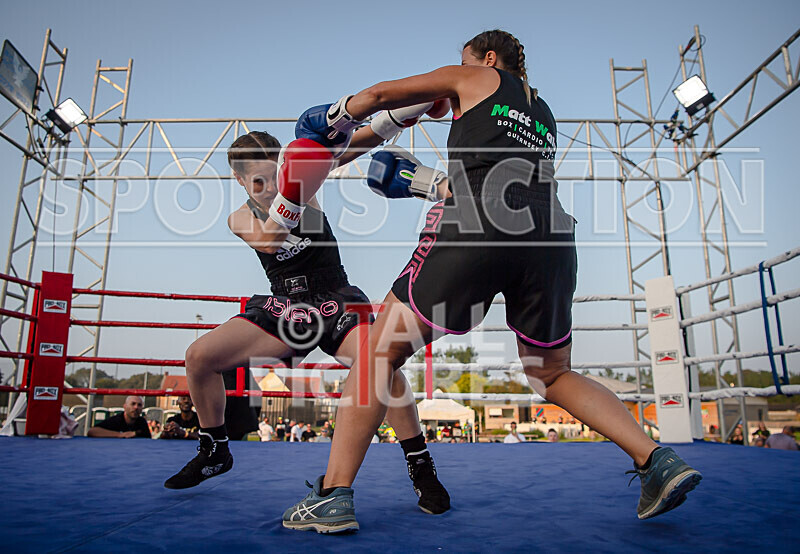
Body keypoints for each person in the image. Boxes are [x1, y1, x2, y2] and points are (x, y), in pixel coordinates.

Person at [283, 29, 701, 532]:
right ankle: (654, 458)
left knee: (379, 352)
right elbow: (406, 129)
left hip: (480, 223)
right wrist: (340, 150)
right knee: (552, 374)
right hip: (550, 235)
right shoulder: (541, 110)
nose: (455, 72)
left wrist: (337, 114)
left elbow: (379, 96)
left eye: (461, 62)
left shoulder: (475, 76)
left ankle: (332, 496)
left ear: (486, 57)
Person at [164, 131, 450, 516]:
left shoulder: (306, 189)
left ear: (285, 169)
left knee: (381, 362)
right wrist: (292, 190)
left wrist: (387, 121)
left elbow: (340, 153)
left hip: (336, 297)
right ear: (240, 181)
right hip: (285, 306)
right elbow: (269, 241)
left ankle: (421, 467)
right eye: (258, 183)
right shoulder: (240, 217)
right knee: (199, 356)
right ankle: (214, 448)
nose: (269, 190)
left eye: (275, 178)